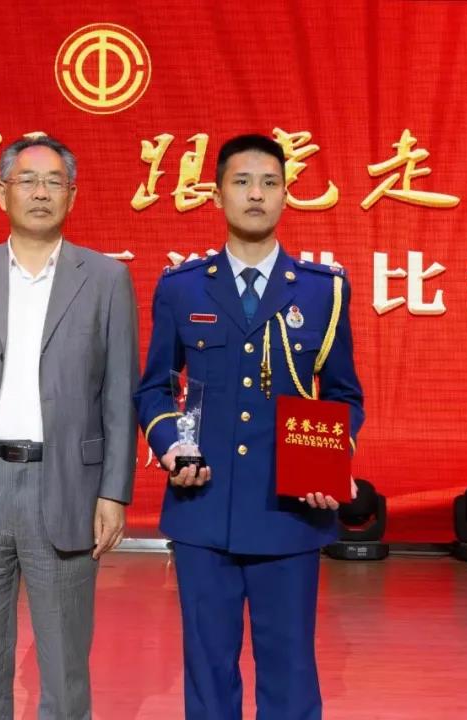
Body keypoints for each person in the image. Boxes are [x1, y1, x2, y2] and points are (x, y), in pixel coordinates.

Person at [133, 134, 364, 719]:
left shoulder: (323, 291)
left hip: (290, 512)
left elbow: (343, 396)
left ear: (286, 196)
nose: (255, 194)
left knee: (289, 671)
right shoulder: (182, 288)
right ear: (217, 196)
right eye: (241, 182)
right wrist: (172, 446)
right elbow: (155, 387)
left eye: (269, 183)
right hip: (203, 507)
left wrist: (330, 464)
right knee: (208, 671)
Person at [0, 135, 139, 720]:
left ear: (72, 194)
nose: (41, 192)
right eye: (27, 180)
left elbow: (119, 394)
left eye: (53, 182)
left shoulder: (105, 278)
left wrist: (113, 492)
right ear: (2, 193)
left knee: (65, 669)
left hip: (65, 486)